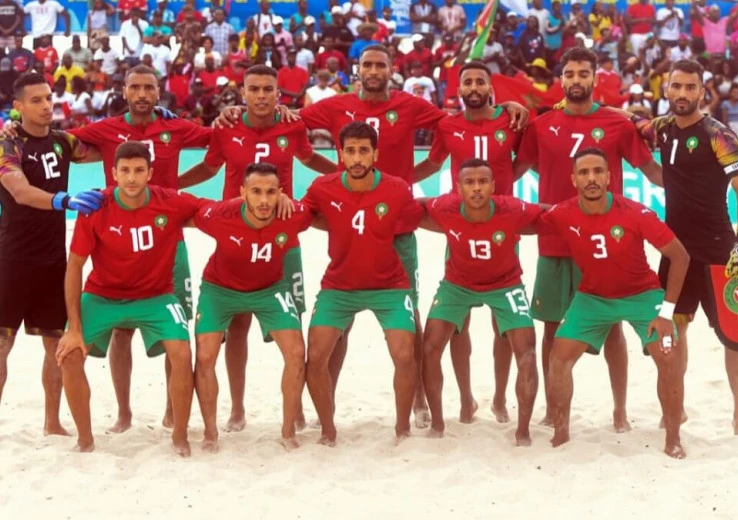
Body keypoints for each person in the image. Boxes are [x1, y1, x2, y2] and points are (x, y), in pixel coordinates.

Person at [179, 64, 336, 432]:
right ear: (243, 92)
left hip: (283, 239)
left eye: (268, 89)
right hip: (235, 235)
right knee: (236, 328)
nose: (262, 95)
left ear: (278, 93)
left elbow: (310, 159)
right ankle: (236, 407)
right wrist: (168, 183)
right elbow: (207, 167)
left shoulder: (292, 125)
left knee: (293, 321)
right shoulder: (227, 126)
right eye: (255, 89)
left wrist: (342, 173)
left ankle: (294, 411)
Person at [514, 47, 662, 430]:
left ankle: (620, 411)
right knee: (551, 327)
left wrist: (703, 177)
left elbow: (652, 173)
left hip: (605, 244)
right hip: (554, 240)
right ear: (561, 79)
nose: (577, 80)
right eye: (570, 74)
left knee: (612, 326)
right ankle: (553, 408)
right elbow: (511, 172)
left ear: (595, 80)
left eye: (584, 74)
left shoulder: (617, 124)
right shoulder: (541, 125)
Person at [538, 147, 690, 458]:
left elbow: (680, 256)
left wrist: (666, 311)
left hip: (642, 295)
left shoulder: (634, 212)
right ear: (574, 179)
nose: (591, 178)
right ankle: (561, 432)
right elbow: (523, 220)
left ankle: (673, 439)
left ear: (609, 177)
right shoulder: (562, 212)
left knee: (669, 356)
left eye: (597, 172)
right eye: (584, 173)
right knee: (559, 357)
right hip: (592, 298)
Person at [56, 141, 205, 456]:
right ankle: (85, 439)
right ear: (113, 173)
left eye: (139, 170)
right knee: (69, 354)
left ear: (151, 173)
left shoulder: (171, 202)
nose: (132, 178)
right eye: (125, 171)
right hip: (102, 295)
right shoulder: (96, 206)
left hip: (156, 296)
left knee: (180, 351)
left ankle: (180, 435)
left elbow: (216, 213)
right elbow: (74, 267)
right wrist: (73, 327)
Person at [623, 59, 738, 433]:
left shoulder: (719, 135)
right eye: (677, 87)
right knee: (673, 330)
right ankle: (678, 408)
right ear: (666, 89)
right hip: (675, 251)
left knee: (734, 338)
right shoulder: (662, 128)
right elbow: (633, 126)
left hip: (720, 250)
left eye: (691, 87)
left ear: (703, 92)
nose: (683, 93)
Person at [301, 121, 424, 445]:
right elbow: (303, 214)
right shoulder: (322, 187)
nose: (357, 158)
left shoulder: (397, 188)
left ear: (375, 154)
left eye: (363, 151)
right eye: (350, 151)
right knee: (315, 356)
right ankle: (328, 430)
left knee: (404, 353)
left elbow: (415, 218)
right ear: (340, 154)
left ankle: (402, 429)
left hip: (390, 286)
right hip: (339, 286)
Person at [413, 61, 523, 423]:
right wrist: (394, 183)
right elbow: (431, 164)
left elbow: (527, 157)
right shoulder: (448, 125)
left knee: (502, 323)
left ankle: (501, 398)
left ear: (491, 88)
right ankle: (465, 399)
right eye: (467, 82)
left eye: (480, 81)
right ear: (458, 90)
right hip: (460, 228)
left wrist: (504, 189)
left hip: (503, 228)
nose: (473, 87)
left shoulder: (511, 120)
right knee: (457, 322)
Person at [0, 72, 102, 437]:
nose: (46, 106)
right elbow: (20, 191)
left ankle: (52, 422)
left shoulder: (63, 141)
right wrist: (65, 200)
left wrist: (154, 118)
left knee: (56, 344)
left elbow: (108, 145)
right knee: (2, 343)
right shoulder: (8, 144)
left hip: (53, 260)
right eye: (37, 100)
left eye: (49, 99)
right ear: (18, 107)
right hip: (12, 259)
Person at [192, 162, 313, 452]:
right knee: (206, 355)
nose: (263, 200)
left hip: (270, 289)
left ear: (280, 194)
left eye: (271, 192)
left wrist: (290, 201)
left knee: (296, 351)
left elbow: (317, 209)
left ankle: (287, 432)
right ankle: (210, 432)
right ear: (242, 192)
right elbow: (190, 209)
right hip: (219, 290)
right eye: (255, 191)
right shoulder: (220, 215)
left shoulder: (293, 214)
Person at [419, 158, 540, 444]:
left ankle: (521, 428)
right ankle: (438, 422)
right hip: (457, 285)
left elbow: (549, 215)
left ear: (493, 186)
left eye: (483, 182)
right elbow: (415, 205)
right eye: (470, 183)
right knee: (430, 346)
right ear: (458, 189)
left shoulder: (512, 208)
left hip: (506, 284)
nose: (476, 189)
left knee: (527, 351)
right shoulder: (444, 207)